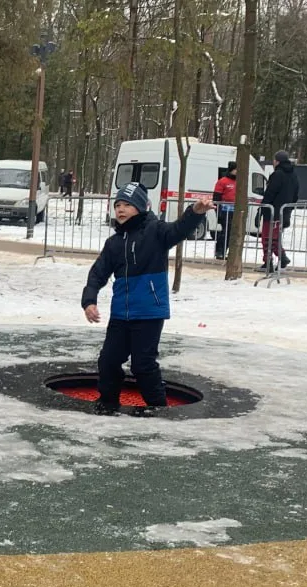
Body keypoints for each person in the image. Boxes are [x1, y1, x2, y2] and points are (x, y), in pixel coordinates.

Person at [81, 182, 212, 414]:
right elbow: (97, 273)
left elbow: (179, 229)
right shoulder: (114, 243)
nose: (121, 209)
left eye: (127, 205)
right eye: (117, 205)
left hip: (149, 313)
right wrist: (89, 300)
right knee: (108, 361)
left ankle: (158, 407)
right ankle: (108, 403)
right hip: (121, 314)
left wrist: (195, 212)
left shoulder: (156, 232)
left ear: (141, 207)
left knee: (143, 365)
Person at [258, 150, 299, 273]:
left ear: (277, 161)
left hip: (272, 211)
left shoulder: (277, 175)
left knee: (267, 237)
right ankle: (280, 257)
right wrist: (289, 208)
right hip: (284, 211)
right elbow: (295, 195)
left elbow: (270, 193)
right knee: (275, 237)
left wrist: (263, 207)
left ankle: (270, 261)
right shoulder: (293, 175)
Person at [212, 161, 238, 260]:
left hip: (235, 211)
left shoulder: (239, 182)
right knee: (226, 231)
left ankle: (226, 252)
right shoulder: (222, 181)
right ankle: (220, 251)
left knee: (232, 232)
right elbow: (216, 197)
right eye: (235, 169)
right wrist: (218, 211)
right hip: (225, 210)